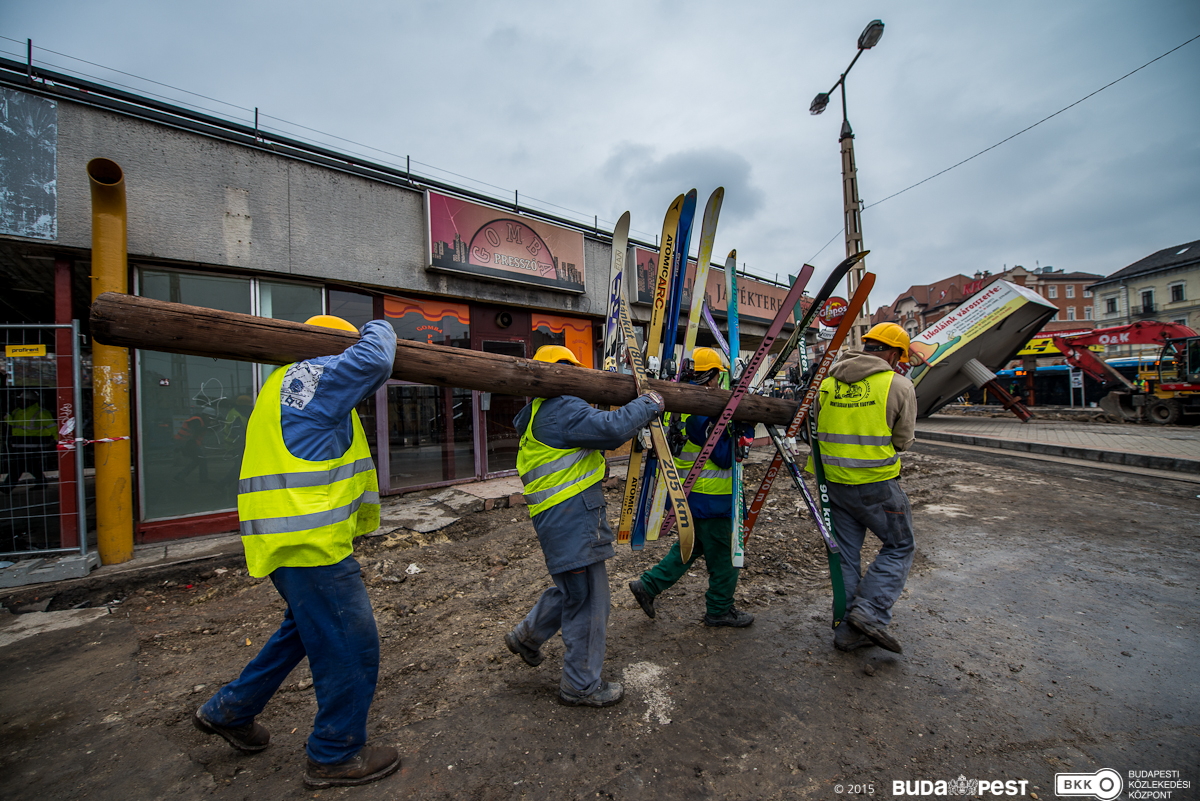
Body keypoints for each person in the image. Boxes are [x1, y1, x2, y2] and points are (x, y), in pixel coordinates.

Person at [193, 314, 402, 789]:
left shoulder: (280, 385)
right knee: (352, 643)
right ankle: (336, 753)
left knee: (305, 632)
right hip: (310, 547)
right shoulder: (312, 378)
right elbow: (375, 358)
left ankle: (230, 710)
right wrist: (379, 325)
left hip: (287, 541)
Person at [505, 344, 665, 707]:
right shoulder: (562, 408)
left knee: (572, 590)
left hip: (557, 521)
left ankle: (527, 636)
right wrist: (649, 402)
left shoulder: (535, 413)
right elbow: (611, 431)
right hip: (573, 519)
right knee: (590, 600)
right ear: (567, 373)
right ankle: (579, 685)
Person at [807, 322, 917, 654]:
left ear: (867, 346)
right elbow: (903, 441)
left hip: (834, 486)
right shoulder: (899, 385)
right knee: (900, 546)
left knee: (846, 556)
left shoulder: (826, 385)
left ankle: (846, 630)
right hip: (876, 486)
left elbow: (812, 430)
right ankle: (869, 612)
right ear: (895, 354)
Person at [628, 347, 756, 628]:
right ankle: (720, 609)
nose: (718, 384)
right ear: (709, 377)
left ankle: (648, 586)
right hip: (714, 501)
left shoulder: (683, 405)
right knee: (725, 559)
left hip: (694, 497)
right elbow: (724, 457)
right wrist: (745, 426)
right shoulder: (701, 412)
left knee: (689, 548)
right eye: (717, 378)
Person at [1, 390, 55, 493]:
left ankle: (7, 487)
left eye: (23, 400)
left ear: (30, 401)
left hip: (32, 442)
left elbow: (52, 426)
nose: (20, 402)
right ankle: (41, 482)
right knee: (30, 464)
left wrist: (59, 438)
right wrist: (7, 418)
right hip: (19, 442)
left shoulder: (41, 412)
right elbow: (14, 424)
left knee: (19, 465)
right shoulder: (17, 411)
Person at [173, 406, 214, 482]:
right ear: (205, 415)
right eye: (210, 417)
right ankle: (203, 479)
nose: (211, 419)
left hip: (186, 442)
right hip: (186, 442)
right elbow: (197, 430)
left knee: (197, 460)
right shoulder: (196, 420)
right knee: (201, 458)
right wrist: (208, 425)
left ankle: (180, 476)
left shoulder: (201, 421)